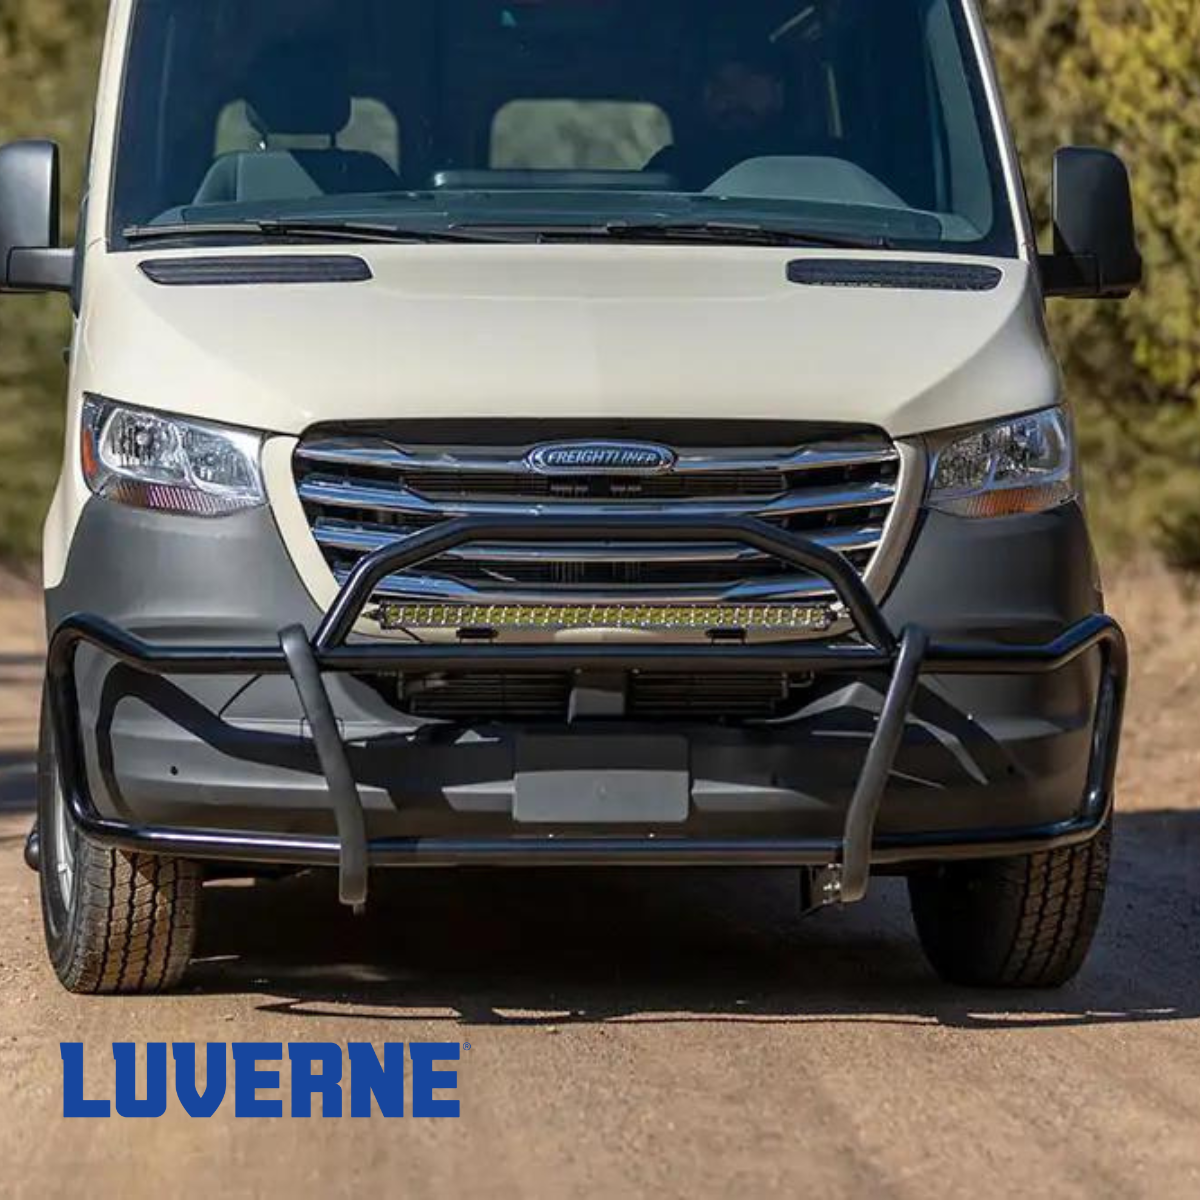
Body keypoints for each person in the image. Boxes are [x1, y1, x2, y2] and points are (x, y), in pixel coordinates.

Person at [648, 46, 793, 190]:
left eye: (746, 82)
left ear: (778, 92)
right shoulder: (671, 166)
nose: (732, 96)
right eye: (719, 84)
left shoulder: (806, 164)